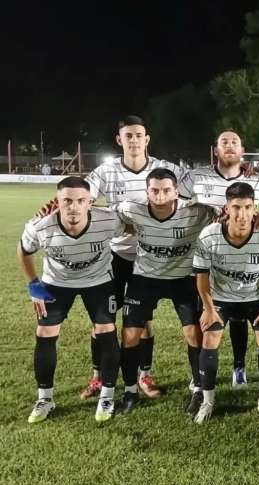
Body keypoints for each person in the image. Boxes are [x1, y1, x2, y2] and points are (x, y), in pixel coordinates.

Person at [78, 116, 187, 400]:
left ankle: (143, 375)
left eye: (139, 135)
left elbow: (195, 193)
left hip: (148, 258)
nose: (134, 140)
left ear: (147, 139)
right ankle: (98, 377)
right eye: (128, 136)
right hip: (114, 255)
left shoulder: (166, 169)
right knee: (103, 320)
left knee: (142, 321)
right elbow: (81, 198)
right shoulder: (106, 171)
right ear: (120, 140)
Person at [178, 129, 259, 391]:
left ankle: (238, 368)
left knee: (239, 315)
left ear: (242, 150)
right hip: (204, 258)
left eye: (235, 142)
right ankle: (199, 377)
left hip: (242, 257)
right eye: (224, 142)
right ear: (216, 150)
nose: (229, 146)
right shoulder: (196, 177)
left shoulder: (255, 181)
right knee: (203, 320)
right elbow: (177, 206)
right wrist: (202, 212)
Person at [18, 177, 124, 422]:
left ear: (90, 202)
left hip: (98, 281)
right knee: (45, 333)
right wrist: (34, 285)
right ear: (57, 202)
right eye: (67, 200)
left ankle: (107, 396)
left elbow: (133, 228)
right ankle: (45, 398)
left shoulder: (109, 220)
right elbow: (23, 251)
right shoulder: (39, 226)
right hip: (56, 283)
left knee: (106, 330)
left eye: (80, 201)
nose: (73, 207)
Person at [115, 168, 215, 415]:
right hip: (144, 279)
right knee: (130, 335)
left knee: (194, 333)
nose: (160, 196)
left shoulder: (197, 212)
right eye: (155, 190)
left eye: (166, 190)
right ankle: (130, 391)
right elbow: (103, 215)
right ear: (147, 191)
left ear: (176, 192)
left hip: (182, 279)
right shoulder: (131, 209)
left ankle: (198, 389)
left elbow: (224, 214)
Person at [193, 182, 259, 423]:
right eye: (236, 207)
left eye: (247, 207)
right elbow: (201, 276)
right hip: (222, 298)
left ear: (255, 209)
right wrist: (208, 309)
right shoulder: (209, 235)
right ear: (227, 208)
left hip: (255, 298)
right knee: (210, 337)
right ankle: (208, 401)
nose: (242, 214)